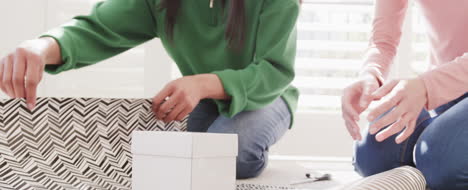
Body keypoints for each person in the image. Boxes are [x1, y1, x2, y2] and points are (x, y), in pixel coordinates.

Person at [0, 0, 300, 179]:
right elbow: (97, 28)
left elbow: (274, 71)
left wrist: (202, 83)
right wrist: (41, 47)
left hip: (266, 94)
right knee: (176, 159)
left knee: (227, 158)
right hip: (202, 97)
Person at [341, 0, 468, 190]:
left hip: (435, 84)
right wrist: (371, 74)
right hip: (444, 93)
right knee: (372, 158)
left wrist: (426, 86)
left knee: (441, 165)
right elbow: (383, 39)